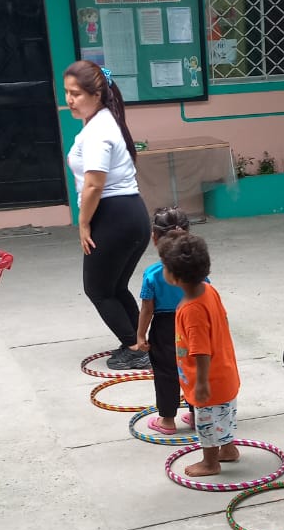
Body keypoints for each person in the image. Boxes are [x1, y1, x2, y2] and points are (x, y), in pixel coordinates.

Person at [63, 60, 151, 370]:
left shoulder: (99, 130)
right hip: (129, 215)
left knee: (98, 289)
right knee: (114, 287)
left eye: (76, 94)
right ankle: (139, 343)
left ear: (97, 94)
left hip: (114, 217)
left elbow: (94, 184)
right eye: (67, 93)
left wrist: (83, 223)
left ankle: (135, 349)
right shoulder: (101, 121)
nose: (69, 100)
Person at [160, 233, 240, 479]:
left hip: (209, 381)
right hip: (224, 372)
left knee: (207, 422)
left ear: (174, 276)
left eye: (164, 266)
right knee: (224, 414)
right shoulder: (209, 290)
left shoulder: (191, 309)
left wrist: (202, 383)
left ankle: (210, 462)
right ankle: (228, 449)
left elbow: (200, 350)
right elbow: (223, 321)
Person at [133, 206, 195, 434]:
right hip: (192, 324)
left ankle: (167, 420)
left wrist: (140, 335)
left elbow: (147, 308)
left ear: (154, 238)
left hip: (165, 329)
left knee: (166, 372)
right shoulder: (196, 269)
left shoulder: (152, 274)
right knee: (194, 368)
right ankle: (199, 416)